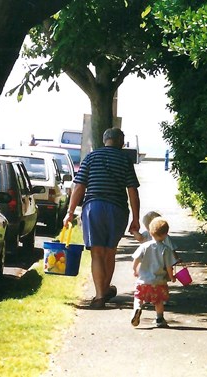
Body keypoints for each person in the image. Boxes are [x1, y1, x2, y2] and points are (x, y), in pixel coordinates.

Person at [63, 127, 140, 309]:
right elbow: (132, 191)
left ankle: (99, 296)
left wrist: (70, 211)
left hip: (93, 207)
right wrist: (135, 219)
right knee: (110, 251)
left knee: (97, 253)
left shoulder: (91, 157)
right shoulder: (125, 159)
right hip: (117, 209)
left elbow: (79, 186)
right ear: (121, 142)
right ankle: (104, 289)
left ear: (105, 140)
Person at [130, 217, 176, 328]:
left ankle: (137, 308)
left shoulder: (144, 246)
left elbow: (136, 259)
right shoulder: (166, 249)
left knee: (138, 297)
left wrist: (135, 269)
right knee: (158, 301)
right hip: (159, 282)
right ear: (166, 234)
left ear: (150, 232)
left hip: (143, 281)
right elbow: (169, 266)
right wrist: (172, 277)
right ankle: (159, 319)